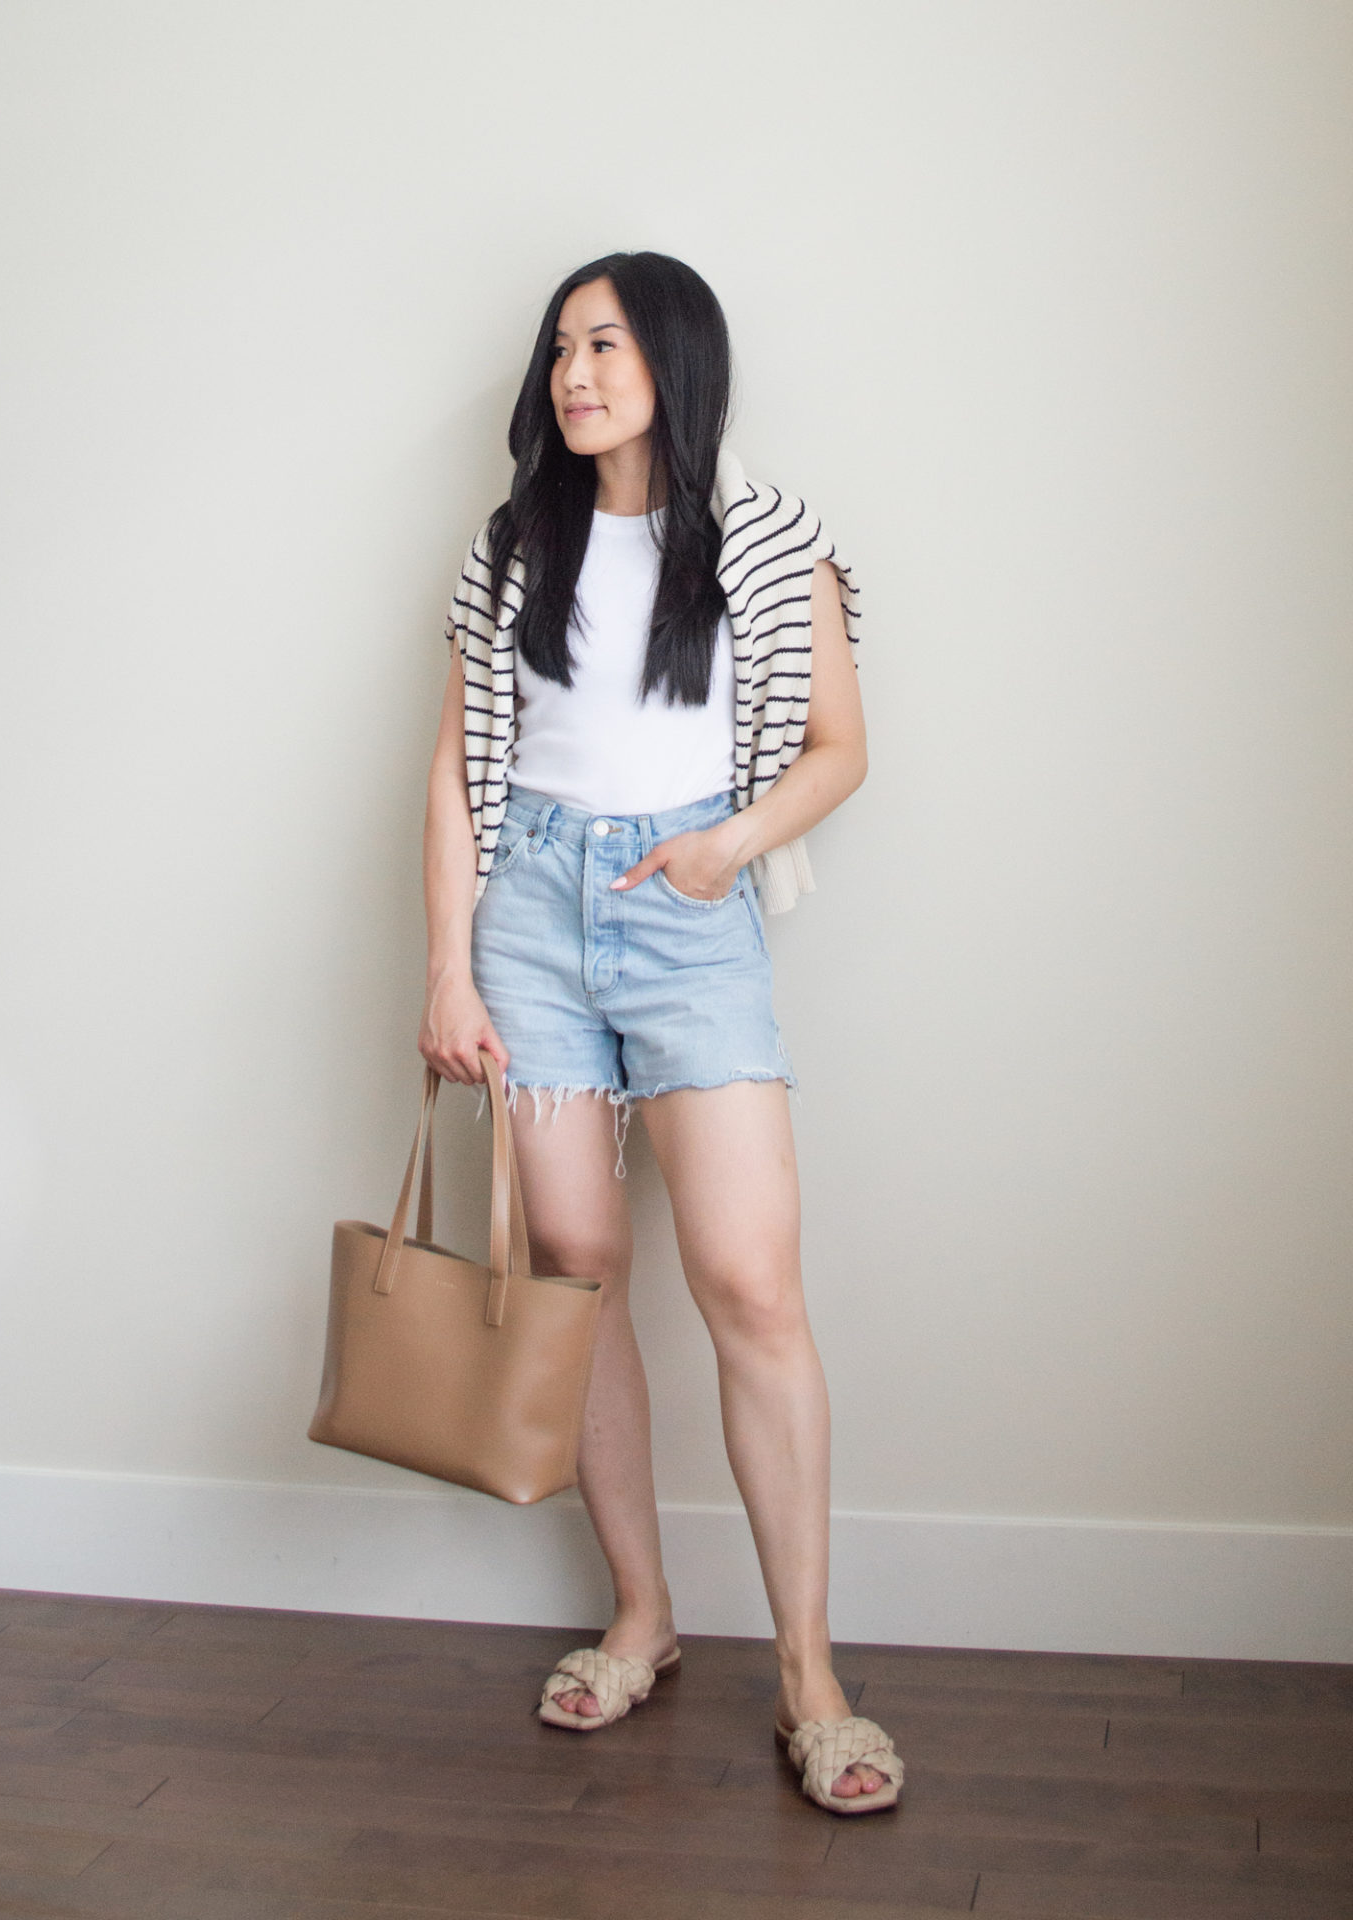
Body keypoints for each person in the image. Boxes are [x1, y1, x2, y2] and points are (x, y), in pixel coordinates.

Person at [418, 251, 902, 1815]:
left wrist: (725, 851)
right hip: (535, 918)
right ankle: (643, 1614)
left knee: (752, 1279)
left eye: (605, 344)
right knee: (577, 1273)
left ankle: (813, 1682)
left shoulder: (768, 537)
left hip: (688, 901)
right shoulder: (511, 549)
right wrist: (450, 967)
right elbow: (451, 773)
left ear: (676, 358)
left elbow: (841, 748)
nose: (573, 373)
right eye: (560, 347)